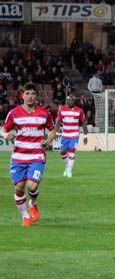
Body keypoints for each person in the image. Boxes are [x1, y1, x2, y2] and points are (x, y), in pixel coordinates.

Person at [1, 82, 56, 226]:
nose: (30, 96)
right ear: (22, 95)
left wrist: (48, 141)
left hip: (36, 155)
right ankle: (25, 215)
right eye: (27, 93)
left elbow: (52, 131)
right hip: (18, 156)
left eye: (32, 94)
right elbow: (3, 129)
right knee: (19, 187)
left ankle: (33, 203)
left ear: (36, 96)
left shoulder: (44, 113)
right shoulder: (14, 113)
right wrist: (5, 135)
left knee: (31, 186)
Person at [54, 95, 88, 178]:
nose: (71, 101)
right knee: (62, 153)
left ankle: (69, 171)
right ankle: (67, 166)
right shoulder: (62, 110)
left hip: (74, 134)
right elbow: (58, 122)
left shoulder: (79, 110)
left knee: (72, 152)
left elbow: (83, 122)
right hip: (65, 135)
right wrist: (55, 133)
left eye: (72, 100)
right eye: (69, 100)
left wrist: (85, 135)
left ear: (74, 101)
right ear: (67, 101)